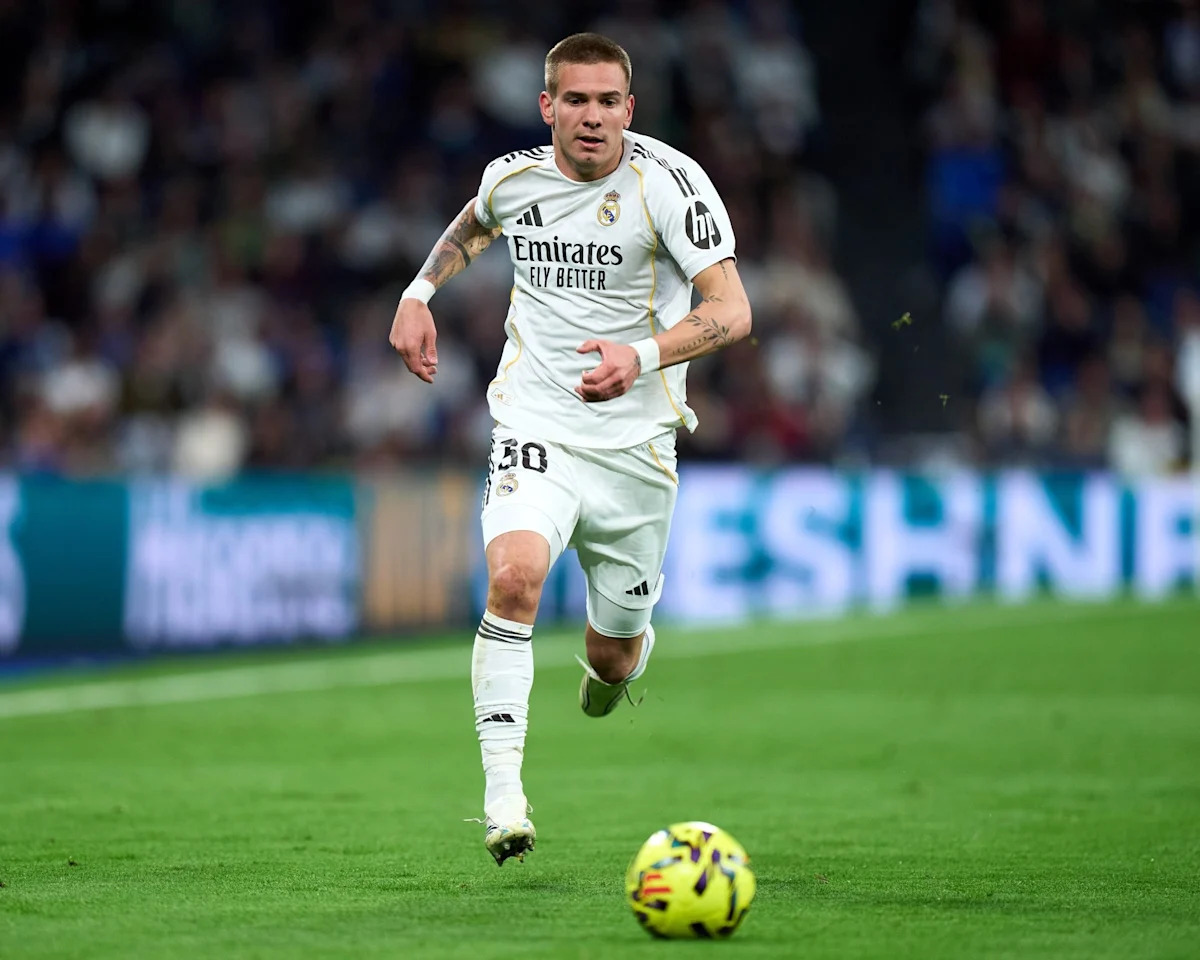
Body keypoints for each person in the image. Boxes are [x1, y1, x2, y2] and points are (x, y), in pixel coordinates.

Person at [389, 32, 752, 866]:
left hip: (636, 446)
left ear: (631, 108)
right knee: (514, 577)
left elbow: (733, 310)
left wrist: (643, 356)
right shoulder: (513, 178)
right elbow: (476, 221)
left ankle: (620, 662)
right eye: (576, 100)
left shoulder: (671, 185)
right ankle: (503, 800)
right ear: (547, 106)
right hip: (537, 422)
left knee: (610, 657)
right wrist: (418, 292)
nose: (593, 117)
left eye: (608, 101)